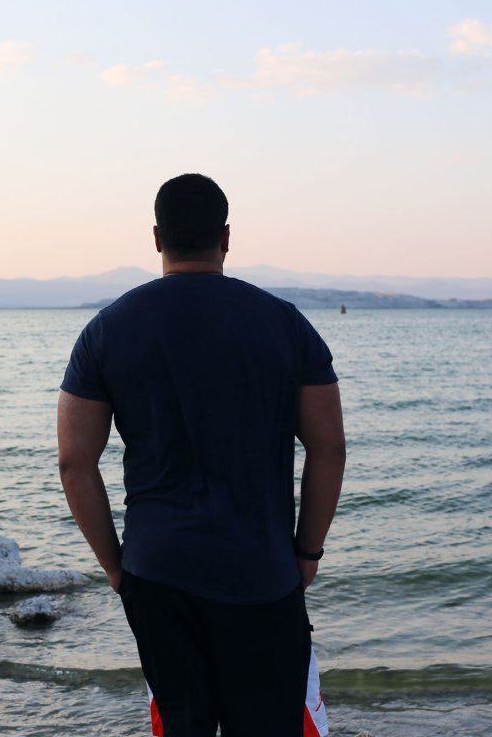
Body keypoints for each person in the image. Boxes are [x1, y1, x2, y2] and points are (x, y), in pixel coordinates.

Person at [57, 173, 346, 737]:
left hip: (157, 572)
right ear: (227, 237)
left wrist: (116, 567)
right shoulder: (286, 325)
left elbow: (74, 461)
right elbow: (328, 448)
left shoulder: (107, 330)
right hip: (262, 574)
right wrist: (307, 553)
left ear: (158, 238)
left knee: (182, 725)